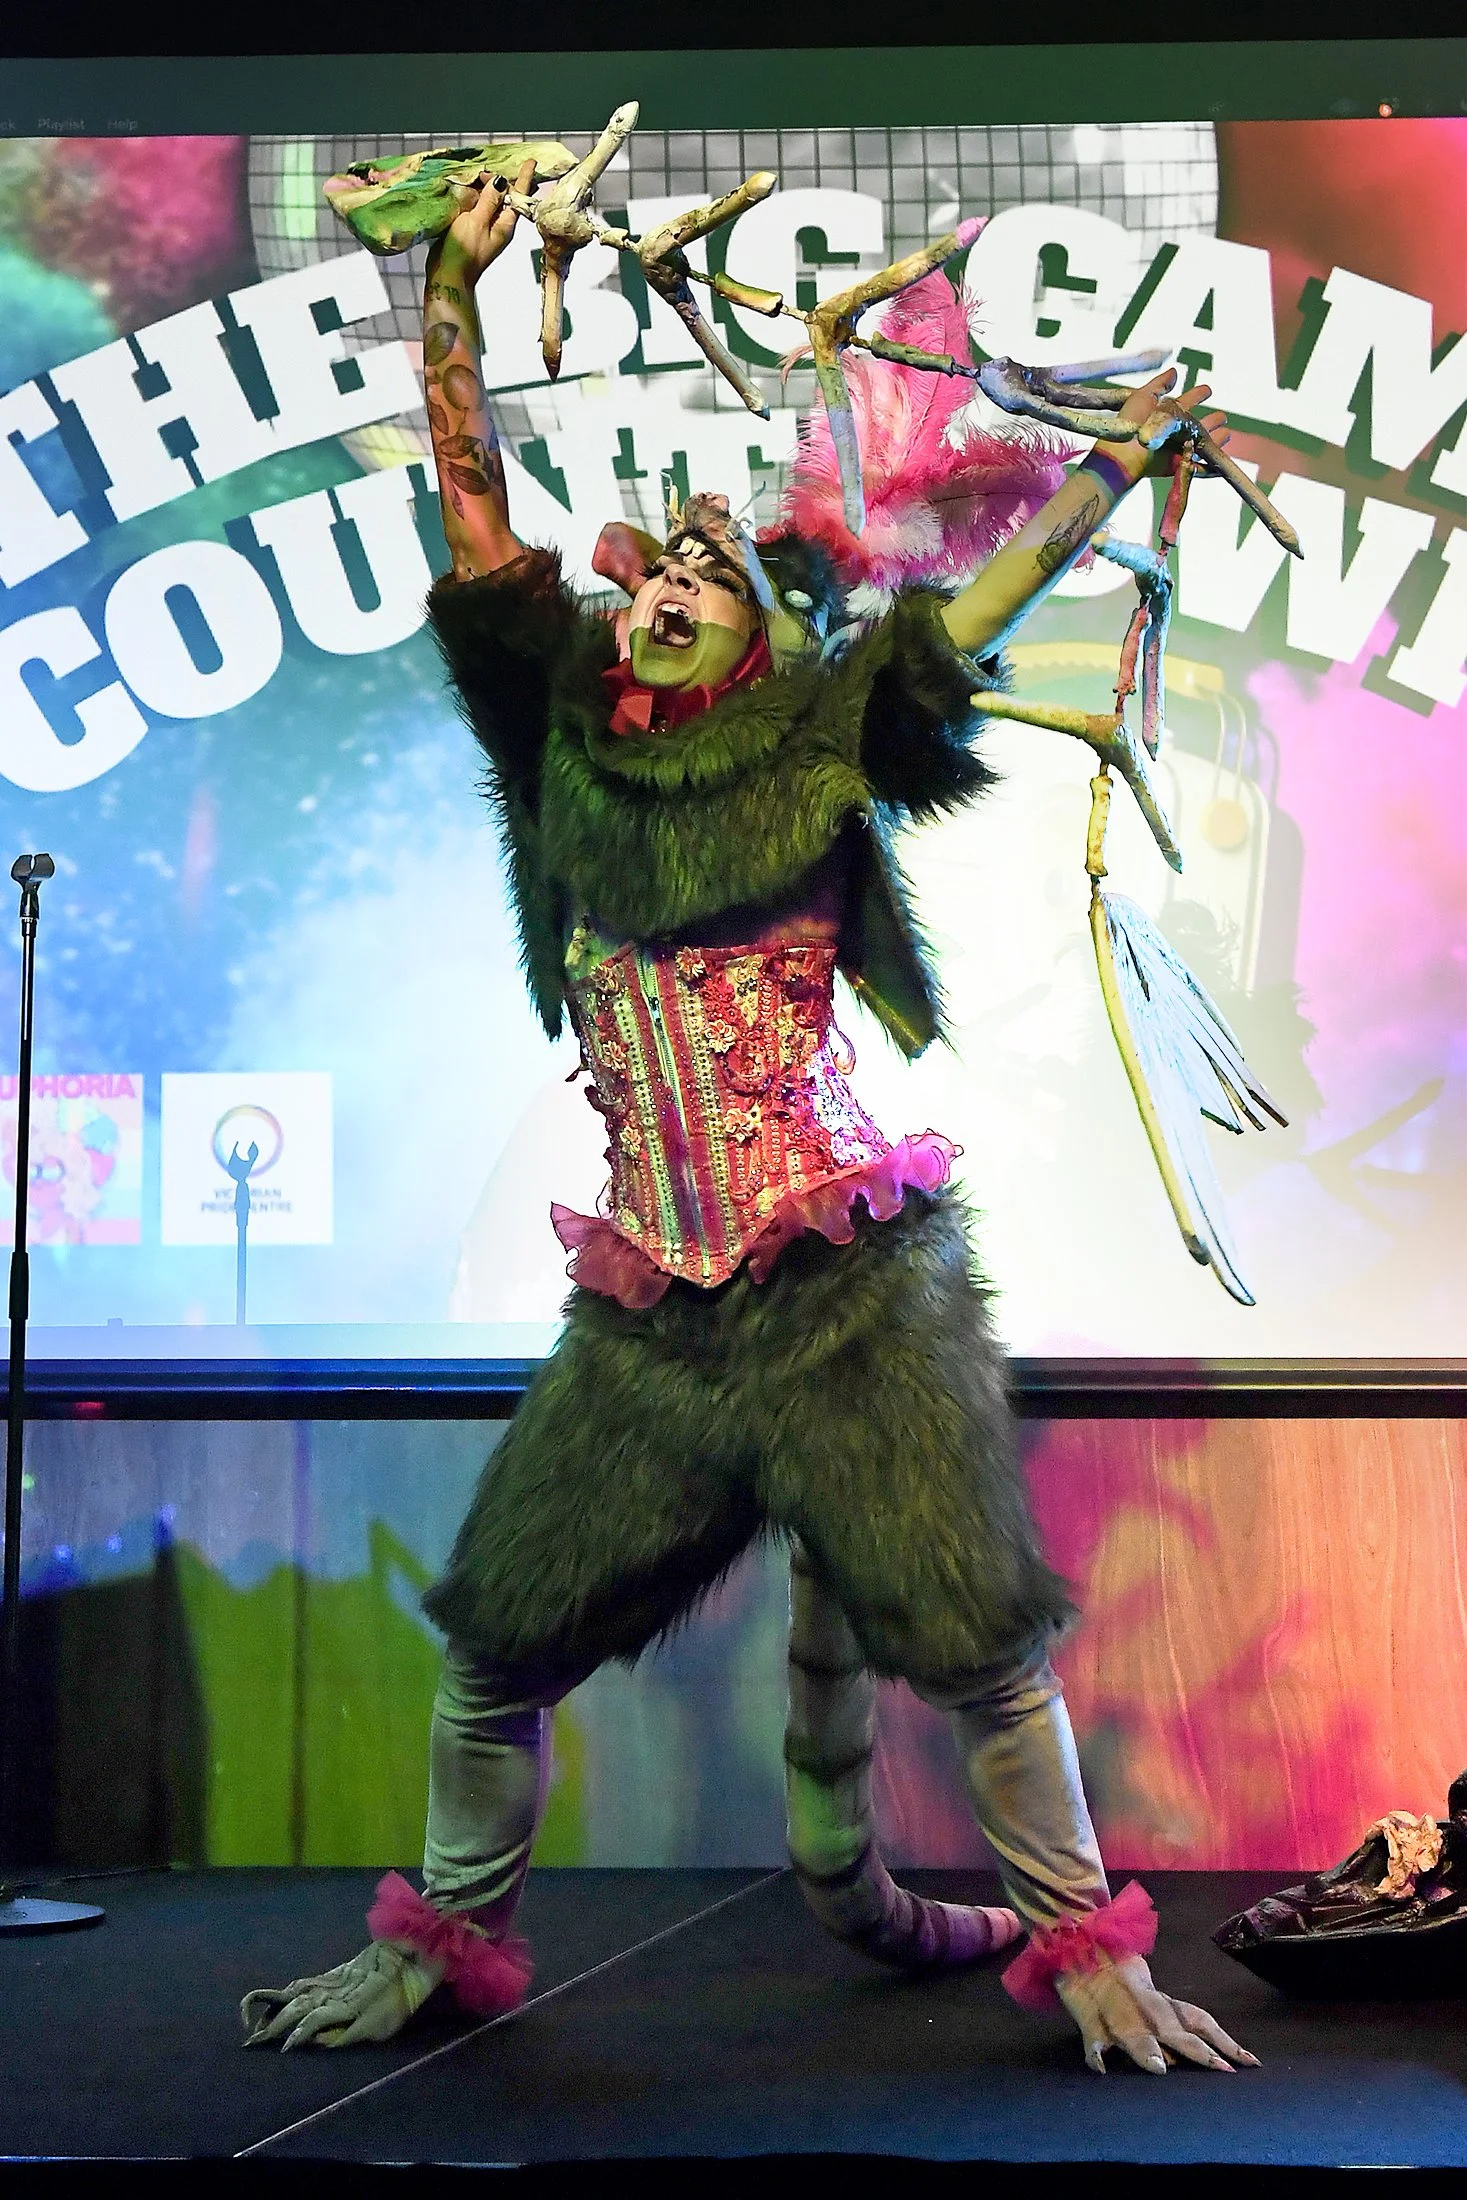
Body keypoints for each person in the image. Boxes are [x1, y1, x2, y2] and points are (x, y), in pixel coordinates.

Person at [243, 168, 1255, 2077]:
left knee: (972, 1640)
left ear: (760, 638)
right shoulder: (556, 749)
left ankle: (1082, 1949)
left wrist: (1118, 477)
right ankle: (437, 1940)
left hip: (841, 1288)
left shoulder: (813, 735)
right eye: (665, 568)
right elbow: (474, 511)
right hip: (652, 1309)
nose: (680, 577)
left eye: (718, 567)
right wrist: (448, 297)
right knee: (491, 1648)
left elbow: (958, 620)